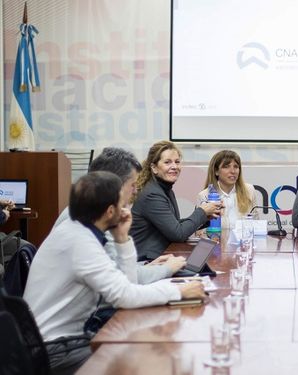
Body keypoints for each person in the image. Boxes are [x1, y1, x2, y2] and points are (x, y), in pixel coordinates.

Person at [24, 171, 206, 374]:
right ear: (111, 211)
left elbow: (128, 284)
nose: (127, 208)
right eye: (123, 204)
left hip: (60, 341)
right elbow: (124, 296)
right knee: (148, 360)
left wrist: (122, 239)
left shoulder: (78, 231)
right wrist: (179, 292)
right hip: (55, 350)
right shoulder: (80, 243)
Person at [53, 147, 186, 283]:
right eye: (132, 185)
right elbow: (123, 283)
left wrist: (147, 267)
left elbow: (119, 270)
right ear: (114, 185)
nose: (135, 191)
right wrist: (168, 269)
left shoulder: (86, 211)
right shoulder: (89, 220)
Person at [130, 140, 222, 260]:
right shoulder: (152, 194)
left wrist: (207, 217)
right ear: (154, 168)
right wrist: (202, 211)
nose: (174, 166)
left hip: (162, 257)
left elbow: (175, 225)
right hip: (147, 263)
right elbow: (178, 234)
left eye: (177, 162)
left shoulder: (165, 189)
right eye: (167, 162)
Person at [197, 150, 256, 229]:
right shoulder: (204, 195)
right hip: (217, 240)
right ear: (216, 171)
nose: (233, 171)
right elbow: (200, 230)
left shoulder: (249, 190)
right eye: (226, 167)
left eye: (236, 166)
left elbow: (256, 224)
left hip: (244, 241)